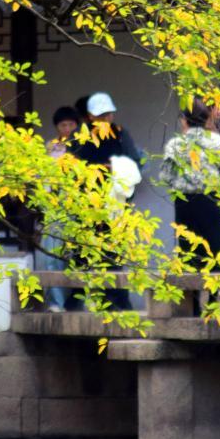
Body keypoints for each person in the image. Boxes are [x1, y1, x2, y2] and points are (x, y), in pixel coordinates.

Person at [67, 91, 140, 311]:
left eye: (108, 114)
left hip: (114, 201)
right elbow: (72, 166)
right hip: (87, 201)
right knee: (83, 251)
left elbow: (134, 162)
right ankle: (77, 300)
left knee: (114, 251)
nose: (106, 119)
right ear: (90, 116)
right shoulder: (80, 137)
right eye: (101, 116)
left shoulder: (120, 134)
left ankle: (118, 301)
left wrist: (115, 169)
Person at [160, 98, 220, 273]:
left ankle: (190, 298)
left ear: (184, 120)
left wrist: (181, 182)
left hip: (185, 202)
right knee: (215, 248)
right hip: (212, 200)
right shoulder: (217, 142)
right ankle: (214, 296)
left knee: (188, 251)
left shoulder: (176, 144)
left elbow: (166, 176)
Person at [37, 106, 80, 312]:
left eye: (72, 124)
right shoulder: (51, 147)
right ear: (57, 127)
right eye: (64, 125)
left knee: (75, 254)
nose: (68, 128)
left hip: (77, 205)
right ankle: (56, 302)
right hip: (54, 205)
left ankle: (76, 301)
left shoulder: (83, 145)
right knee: (53, 254)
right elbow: (44, 177)